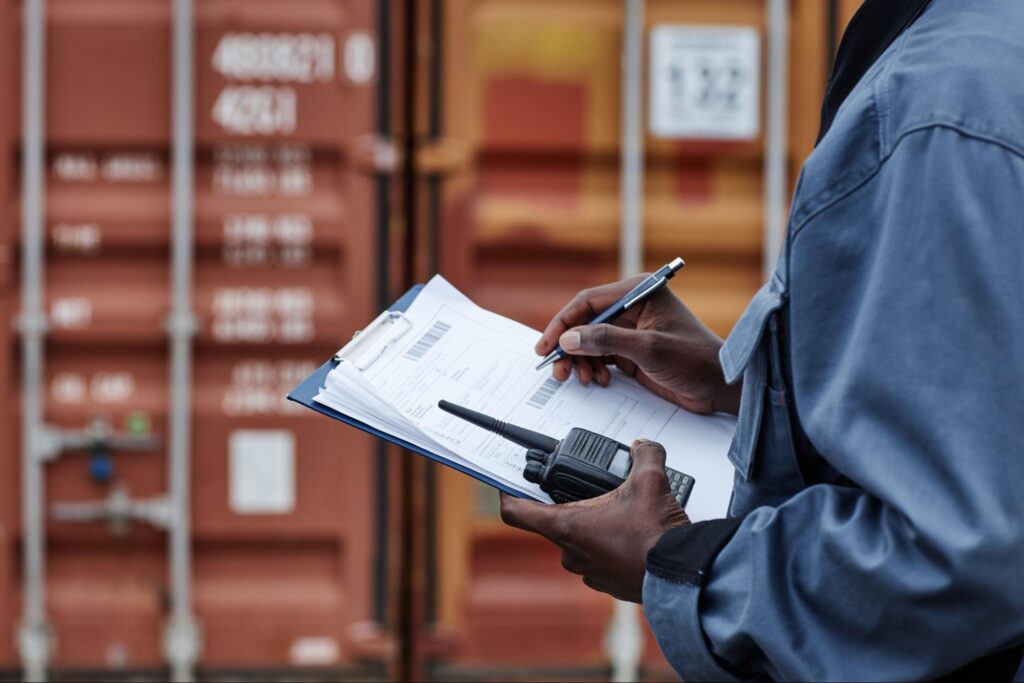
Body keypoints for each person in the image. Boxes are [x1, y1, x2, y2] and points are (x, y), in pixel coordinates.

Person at [497, 0, 1024, 679]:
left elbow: (961, 557)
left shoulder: (934, 105)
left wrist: (685, 566)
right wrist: (751, 384)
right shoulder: (987, 48)